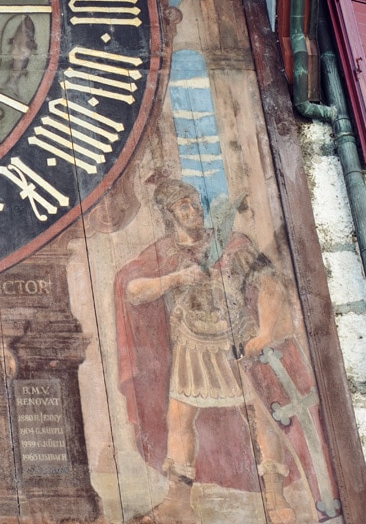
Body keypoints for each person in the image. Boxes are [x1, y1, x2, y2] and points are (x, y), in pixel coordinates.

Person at [115, 177, 301, 524]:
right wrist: (175, 279)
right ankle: (177, 503)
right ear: (169, 215)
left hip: (238, 341)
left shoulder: (232, 243)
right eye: (182, 206)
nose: (192, 209)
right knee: (179, 419)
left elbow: (270, 284)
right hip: (192, 345)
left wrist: (263, 331)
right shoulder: (165, 252)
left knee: (260, 414)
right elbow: (133, 289)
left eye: (193, 202)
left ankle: (274, 496)